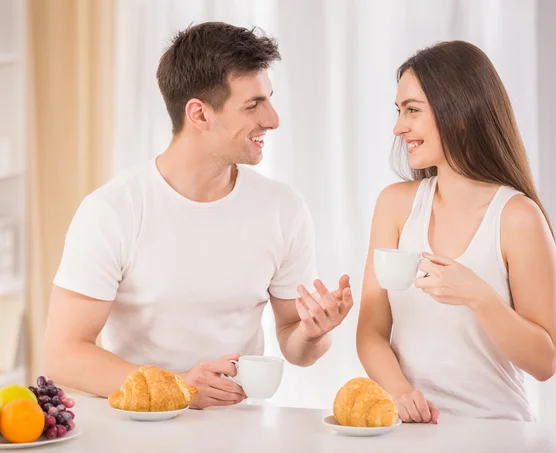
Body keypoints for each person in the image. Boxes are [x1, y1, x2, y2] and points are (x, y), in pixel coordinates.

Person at [43, 22, 353, 409]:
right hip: (142, 426)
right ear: (199, 114)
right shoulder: (112, 211)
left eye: (269, 99)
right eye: (253, 104)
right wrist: (181, 387)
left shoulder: (283, 209)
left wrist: (313, 333)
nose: (273, 119)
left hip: (241, 427)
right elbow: (63, 355)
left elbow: (297, 347)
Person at [356, 40, 556, 423]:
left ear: (460, 112)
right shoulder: (395, 206)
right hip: (412, 431)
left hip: (497, 433)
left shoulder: (517, 218)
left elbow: (545, 361)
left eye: (412, 110)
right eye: (399, 111)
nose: (399, 127)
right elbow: (370, 331)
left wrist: (479, 297)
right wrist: (400, 392)